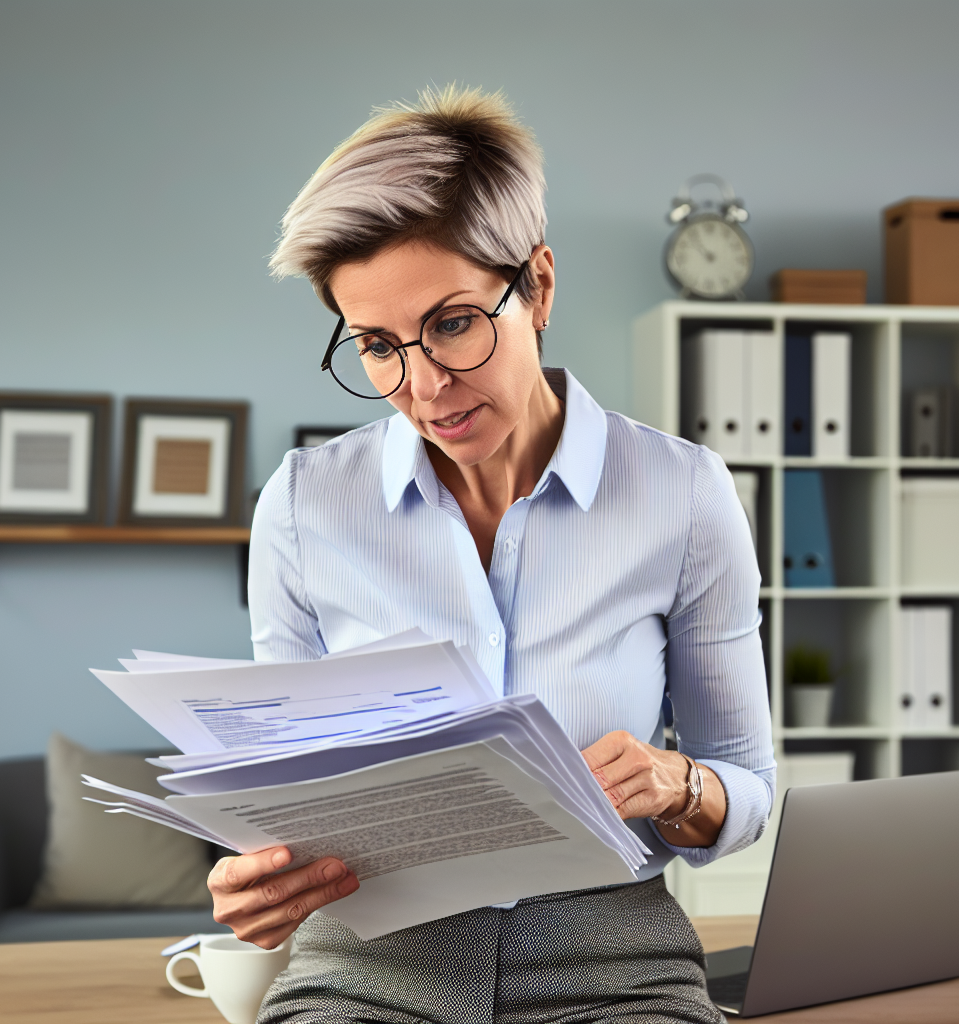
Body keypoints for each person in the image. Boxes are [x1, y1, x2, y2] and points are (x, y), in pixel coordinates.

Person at [210, 86, 775, 1024]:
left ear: (539, 286)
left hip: (614, 962)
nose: (423, 385)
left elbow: (746, 784)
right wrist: (263, 884)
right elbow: (294, 807)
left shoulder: (683, 495)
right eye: (378, 346)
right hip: (367, 968)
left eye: (455, 322)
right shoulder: (306, 506)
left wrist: (681, 785)